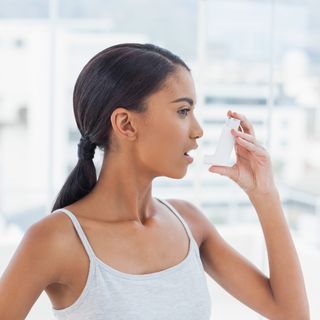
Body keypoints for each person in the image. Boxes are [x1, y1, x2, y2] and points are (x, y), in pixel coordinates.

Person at [0, 43, 309, 320]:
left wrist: (264, 194)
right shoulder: (55, 239)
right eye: (183, 111)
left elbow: (291, 314)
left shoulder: (190, 223)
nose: (198, 130)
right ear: (126, 123)